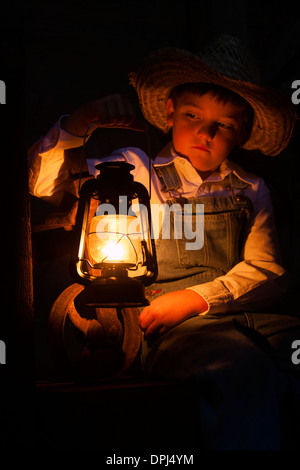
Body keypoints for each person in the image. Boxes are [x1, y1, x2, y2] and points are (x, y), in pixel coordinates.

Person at [28, 34, 299, 449]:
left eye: (223, 125)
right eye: (193, 115)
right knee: (240, 371)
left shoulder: (250, 188)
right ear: (170, 112)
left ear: (242, 132)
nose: (205, 133)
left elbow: (269, 272)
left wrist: (196, 297)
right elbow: (45, 185)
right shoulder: (136, 172)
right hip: (167, 328)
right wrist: (80, 122)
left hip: (247, 319)